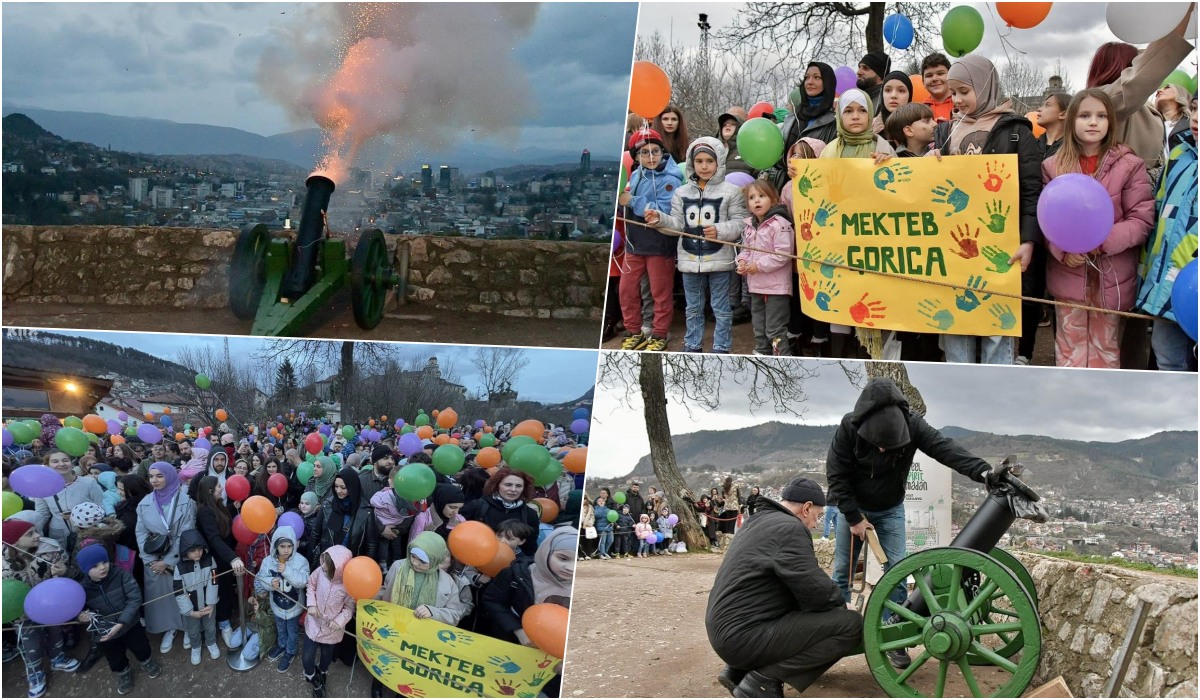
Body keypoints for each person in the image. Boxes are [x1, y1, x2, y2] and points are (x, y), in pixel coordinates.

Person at [826, 377, 994, 669]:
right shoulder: (848, 427)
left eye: (888, 446)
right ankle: (832, 630)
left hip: (891, 508)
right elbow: (836, 475)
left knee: (897, 572)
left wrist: (984, 473)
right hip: (853, 509)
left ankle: (895, 635)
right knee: (843, 571)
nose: (882, 451)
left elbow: (946, 449)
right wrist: (853, 517)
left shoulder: (914, 425)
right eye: (877, 445)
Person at [932, 54, 1043, 365]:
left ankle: (997, 394)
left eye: (964, 91)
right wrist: (930, 164)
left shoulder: (1016, 129)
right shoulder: (947, 132)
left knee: (997, 327)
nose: (957, 99)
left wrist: (1028, 239)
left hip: (1000, 247)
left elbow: (1032, 189)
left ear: (984, 86)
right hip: (956, 247)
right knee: (958, 325)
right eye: (953, 93)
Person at [705, 477, 861, 698]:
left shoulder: (757, 521)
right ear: (806, 508)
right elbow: (812, 587)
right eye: (817, 516)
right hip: (741, 637)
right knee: (850, 625)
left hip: (726, 629)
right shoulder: (790, 529)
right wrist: (840, 603)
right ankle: (761, 682)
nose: (816, 524)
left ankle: (739, 672)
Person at [1044, 89, 1155, 368]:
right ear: (1071, 121)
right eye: (1084, 115)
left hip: (1112, 282)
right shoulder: (1053, 166)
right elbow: (1046, 219)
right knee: (1069, 353)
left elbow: (1141, 220)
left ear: (1110, 122)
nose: (1093, 122)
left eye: (1101, 116)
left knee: (1106, 353)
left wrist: (1101, 240)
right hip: (1069, 279)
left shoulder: (1130, 165)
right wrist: (1062, 250)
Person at [645, 137, 749, 354]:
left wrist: (720, 230)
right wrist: (659, 220)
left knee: (721, 308)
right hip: (689, 262)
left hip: (720, 262)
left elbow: (740, 223)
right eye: (699, 161)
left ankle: (721, 346)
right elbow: (677, 224)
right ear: (692, 162)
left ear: (718, 162)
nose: (704, 166)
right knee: (692, 308)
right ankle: (693, 344)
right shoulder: (681, 193)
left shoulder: (731, 191)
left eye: (709, 161)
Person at [819, 89, 896, 359]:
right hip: (840, 240)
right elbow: (817, 192)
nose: (855, 116)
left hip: (874, 240)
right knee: (841, 299)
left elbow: (900, 190)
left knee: (871, 299)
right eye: (848, 111)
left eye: (862, 110)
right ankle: (841, 358)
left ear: (870, 114)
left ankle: (870, 359)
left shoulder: (882, 146)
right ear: (840, 116)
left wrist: (887, 166)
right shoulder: (830, 151)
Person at [1137, 96, 1198, 371]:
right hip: (1169, 286)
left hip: (1194, 287)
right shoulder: (1178, 156)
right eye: (1195, 109)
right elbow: (1159, 211)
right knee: (1168, 357)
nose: (1195, 119)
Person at [618, 127, 684, 352]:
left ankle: (659, 333)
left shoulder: (670, 180)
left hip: (659, 244)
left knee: (660, 292)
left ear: (662, 151)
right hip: (635, 243)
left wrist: (632, 201)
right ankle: (633, 330)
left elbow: (665, 210)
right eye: (644, 153)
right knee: (627, 289)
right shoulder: (636, 174)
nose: (651, 157)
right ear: (636, 157)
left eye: (655, 151)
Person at [3, 518, 77, 698]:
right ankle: (35, 674)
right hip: (22, 614)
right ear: (14, 541)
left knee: (55, 632)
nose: (37, 535)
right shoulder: (2, 565)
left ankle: (57, 658)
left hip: (49, 605)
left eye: (35, 531)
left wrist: (63, 571)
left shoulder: (49, 551)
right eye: (30, 534)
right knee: (31, 644)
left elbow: (67, 569)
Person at [75, 544, 162, 696]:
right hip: (106, 632)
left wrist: (122, 622)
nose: (102, 567)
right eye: (95, 566)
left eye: (104, 562)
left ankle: (147, 662)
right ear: (85, 569)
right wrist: (82, 616)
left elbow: (135, 597)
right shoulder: (81, 590)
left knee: (141, 646)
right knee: (114, 657)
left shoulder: (121, 574)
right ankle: (124, 673)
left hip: (130, 624)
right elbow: (79, 609)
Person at [135, 462, 196, 654]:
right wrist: (151, 561)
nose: (155, 480)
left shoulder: (186, 502)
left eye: (159, 476)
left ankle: (187, 627)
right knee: (163, 598)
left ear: (169, 476)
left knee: (184, 594)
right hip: (154, 559)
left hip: (178, 557)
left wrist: (168, 561)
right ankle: (169, 627)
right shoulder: (144, 503)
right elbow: (140, 533)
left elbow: (186, 534)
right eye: (152, 476)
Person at [738, 179, 795, 356]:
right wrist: (741, 262)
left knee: (774, 329)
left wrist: (759, 266)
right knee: (759, 327)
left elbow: (783, 254)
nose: (757, 201)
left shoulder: (780, 224)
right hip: (756, 286)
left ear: (774, 199)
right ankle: (762, 354)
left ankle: (782, 359)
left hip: (776, 289)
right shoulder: (749, 226)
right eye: (752, 197)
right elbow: (746, 250)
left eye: (762, 196)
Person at [770, 62, 837, 190]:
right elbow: (777, 158)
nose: (809, 82)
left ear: (828, 83)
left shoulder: (835, 123)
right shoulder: (791, 119)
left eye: (817, 77)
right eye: (807, 77)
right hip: (785, 190)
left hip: (816, 190)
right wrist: (788, 163)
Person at [255, 525, 309, 673]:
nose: (286, 550)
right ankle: (281, 644)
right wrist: (270, 583)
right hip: (277, 606)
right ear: (275, 546)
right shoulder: (267, 561)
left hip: (294, 606)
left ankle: (290, 651)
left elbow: (303, 581)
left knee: (292, 631)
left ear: (294, 545)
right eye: (282, 546)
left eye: (289, 546)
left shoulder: (301, 561)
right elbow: (261, 579)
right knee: (280, 628)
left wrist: (287, 571)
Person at [303, 546, 355, 699]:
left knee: (326, 655)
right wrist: (311, 604)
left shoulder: (348, 586)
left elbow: (349, 608)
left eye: (327, 566)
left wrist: (339, 621)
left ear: (339, 570)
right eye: (323, 562)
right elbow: (310, 585)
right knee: (307, 657)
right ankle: (312, 676)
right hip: (313, 623)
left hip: (332, 630)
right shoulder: (319, 572)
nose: (322, 567)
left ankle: (322, 672)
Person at [458, 467, 541, 556]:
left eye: (518, 486)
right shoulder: (477, 506)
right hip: (476, 560)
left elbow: (530, 548)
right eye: (508, 485)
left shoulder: (530, 514)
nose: (513, 489)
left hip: (512, 565)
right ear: (497, 485)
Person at [34, 450, 105, 551]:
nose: (61, 464)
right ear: (47, 466)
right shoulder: (42, 488)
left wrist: (81, 516)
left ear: (71, 463)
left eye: (65, 460)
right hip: (58, 533)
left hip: (88, 533)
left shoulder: (89, 483)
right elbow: (42, 514)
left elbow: (102, 506)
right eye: (55, 461)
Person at [172, 529, 221, 665]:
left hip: (208, 606)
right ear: (185, 551)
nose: (197, 552)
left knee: (210, 626)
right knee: (193, 630)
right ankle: (196, 646)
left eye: (199, 549)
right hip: (192, 609)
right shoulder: (179, 568)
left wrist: (211, 604)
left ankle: (211, 642)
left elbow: (214, 581)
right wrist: (189, 612)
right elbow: (178, 592)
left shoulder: (210, 560)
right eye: (193, 550)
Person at [319, 467, 378, 559]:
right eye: (336, 486)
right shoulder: (328, 505)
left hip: (352, 564)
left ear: (352, 488)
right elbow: (316, 533)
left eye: (343, 487)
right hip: (328, 562)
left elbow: (371, 545)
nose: (338, 491)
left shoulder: (366, 511)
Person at [718, 107, 755, 177]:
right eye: (725, 124)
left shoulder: (750, 152)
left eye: (733, 124)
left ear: (741, 127)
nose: (728, 125)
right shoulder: (710, 149)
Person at [919, 52, 955, 123]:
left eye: (940, 73)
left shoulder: (963, 103)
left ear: (950, 76)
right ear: (923, 82)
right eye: (929, 75)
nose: (934, 78)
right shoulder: (919, 110)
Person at [1037, 92, 1071, 159]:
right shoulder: (1029, 145)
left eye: (1047, 105)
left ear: (1063, 114)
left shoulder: (1075, 149)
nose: (1039, 109)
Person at [593, 495, 613, 559]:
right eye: (599, 501)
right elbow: (597, 515)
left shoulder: (608, 509)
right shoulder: (595, 509)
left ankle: (605, 552)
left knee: (610, 540)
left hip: (609, 527)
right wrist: (601, 508)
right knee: (602, 542)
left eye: (602, 501)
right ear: (597, 502)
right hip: (601, 528)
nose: (601, 502)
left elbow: (612, 516)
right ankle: (601, 553)